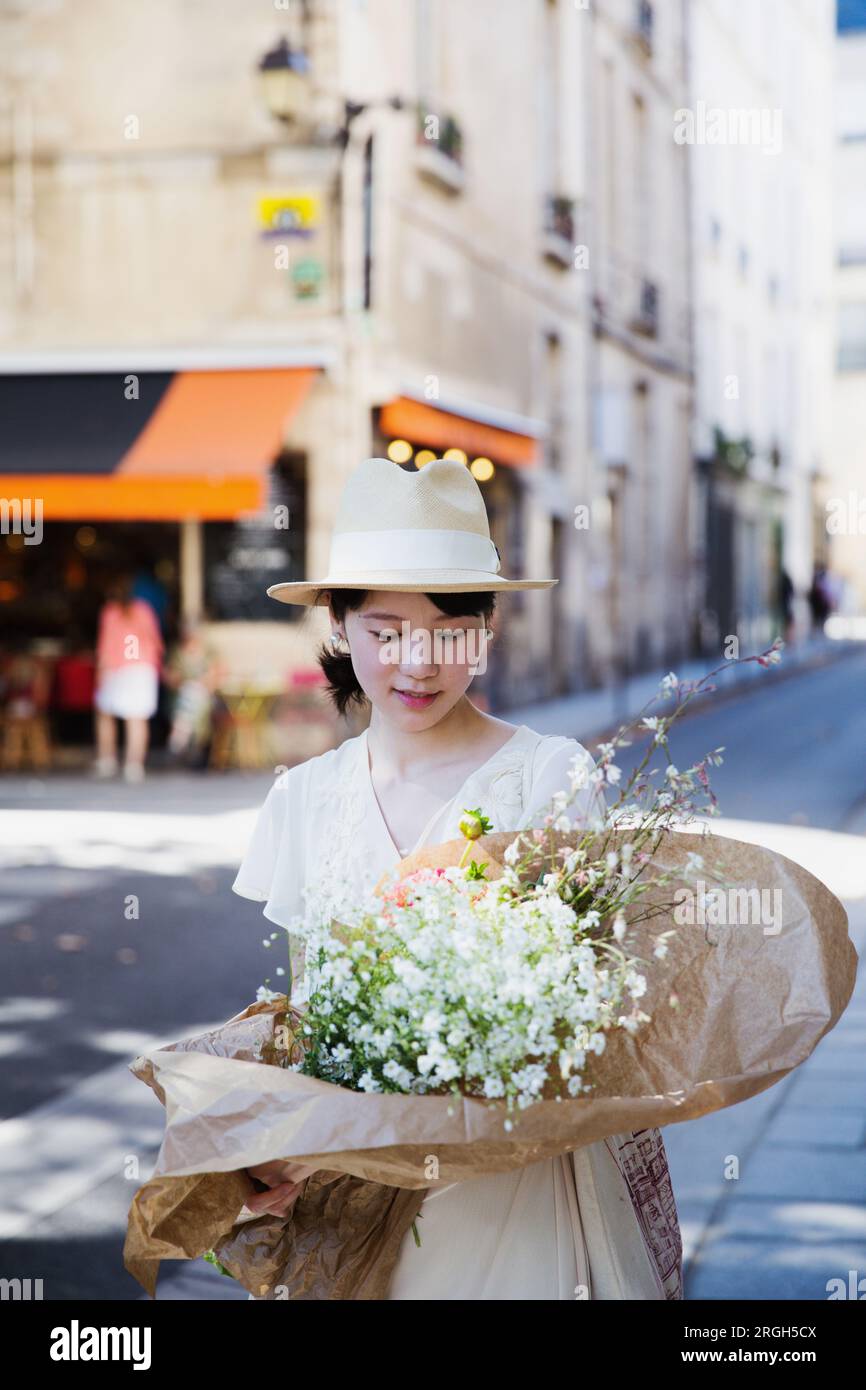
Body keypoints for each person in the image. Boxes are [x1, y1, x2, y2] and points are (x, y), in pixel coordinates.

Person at [230, 456, 683, 1300]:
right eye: (386, 629)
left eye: (449, 628)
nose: (419, 661)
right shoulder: (305, 799)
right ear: (339, 625)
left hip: (510, 1191)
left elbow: (594, 1006)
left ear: (487, 627)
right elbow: (308, 1015)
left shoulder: (550, 778)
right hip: (357, 1201)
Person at [93, 572, 164, 782]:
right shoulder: (144, 610)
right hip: (142, 669)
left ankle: (107, 760)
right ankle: (134, 766)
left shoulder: (110, 612)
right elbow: (156, 640)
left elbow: (105, 647)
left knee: (105, 714)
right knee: (137, 719)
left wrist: (100, 672)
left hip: (116, 669)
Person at [163, 618, 223, 766]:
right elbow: (170, 677)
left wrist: (202, 684)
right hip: (181, 696)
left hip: (205, 696)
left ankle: (179, 737)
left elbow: (217, 675)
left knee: (193, 696)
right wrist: (184, 684)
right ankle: (193, 747)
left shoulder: (210, 652)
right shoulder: (176, 652)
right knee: (190, 695)